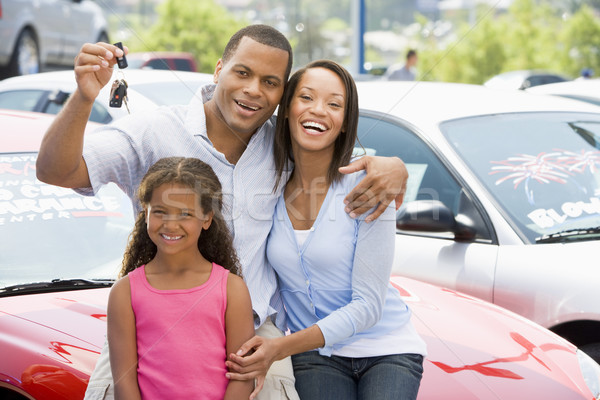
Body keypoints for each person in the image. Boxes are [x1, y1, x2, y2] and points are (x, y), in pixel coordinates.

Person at [36, 24, 409, 400]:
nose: (253, 90)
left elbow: (330, 150)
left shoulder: (282, 145)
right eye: (242, 73)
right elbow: (56, 171)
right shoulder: (155, 130)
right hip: (149, 331)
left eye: (270, 82)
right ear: (218, 70)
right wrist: (84, 98)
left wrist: (392, 166)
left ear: (281, 94)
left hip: (252, 342)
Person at [226, 60, 426, 399]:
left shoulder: (368, 186)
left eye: (334, 104)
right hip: (316, 356)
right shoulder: (267, 188)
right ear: (287, 109)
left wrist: (280, 348)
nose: (318, 111)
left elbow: (368, 305)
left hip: (386, 349)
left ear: (345, 123)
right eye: (306, 97)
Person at [107, 157, 254, 399]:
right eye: (160, 212)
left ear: (206, 218)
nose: (170, 224)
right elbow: (124, 383)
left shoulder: (231, 289)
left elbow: (241, 377)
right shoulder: (125, 292)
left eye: (184, 214)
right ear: (145, 214)